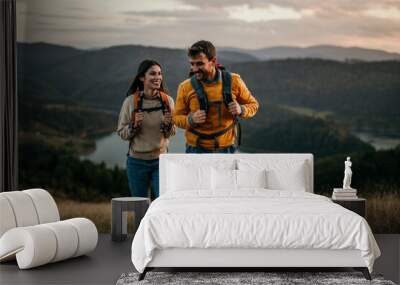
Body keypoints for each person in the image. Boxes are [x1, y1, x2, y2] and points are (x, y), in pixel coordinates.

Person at [173, 40, 259, 153]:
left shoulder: (234, 81)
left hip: (227, 149)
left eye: (199, 64)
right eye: (192, 64)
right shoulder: (185, 87)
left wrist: (241, 109)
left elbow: (254, 105)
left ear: (213, 61)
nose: (194, 69)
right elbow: (176, 117)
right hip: (195, 149)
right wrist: (191, 119)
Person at [117, 59, 175, 199]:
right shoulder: (130, 102)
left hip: (160, 161)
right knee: (139, 206)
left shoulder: (168, 101)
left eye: (160, 74)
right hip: (136, 162)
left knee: (161, 202)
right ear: (142, 77)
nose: (158, 77)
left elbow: (171, 133)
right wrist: (133, 125)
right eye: (153, 74)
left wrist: (168, 125)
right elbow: (122, 133)